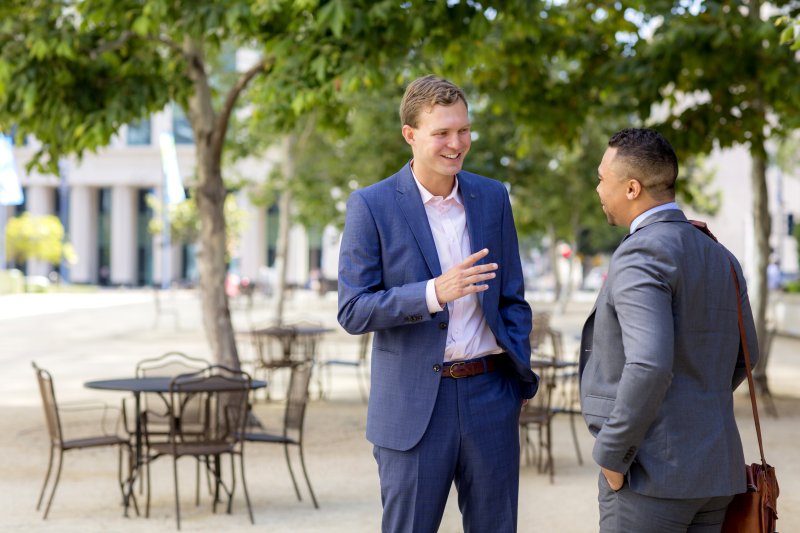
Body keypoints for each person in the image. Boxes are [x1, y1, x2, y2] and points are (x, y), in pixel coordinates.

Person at [337, 75, 537, 533]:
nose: (456, 143)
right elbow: (353, 309)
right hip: (413, 407)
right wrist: (433, 293)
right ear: (410, 135)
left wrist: (514, 381)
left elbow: (513, 298)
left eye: (463, 130)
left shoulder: (492, 197)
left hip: (491, 396)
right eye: (442, 133)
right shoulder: (371, 205)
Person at [579, 128, 759, 532]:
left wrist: (612, 453)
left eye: (601, 178)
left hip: (650, 478)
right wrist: (693, 408)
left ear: (631, 188)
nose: (597, 189)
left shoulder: (640, 253)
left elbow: (649, 365)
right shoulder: (721, 255)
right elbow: (747, 356)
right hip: (715, 472)